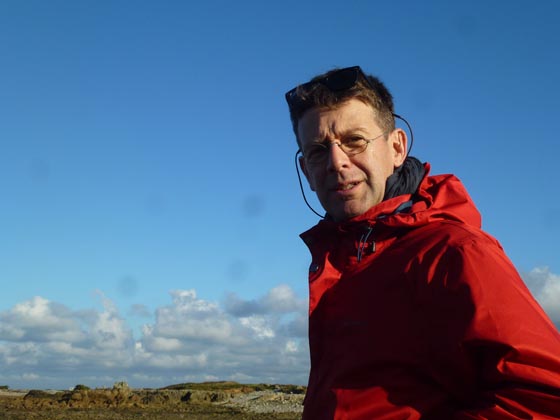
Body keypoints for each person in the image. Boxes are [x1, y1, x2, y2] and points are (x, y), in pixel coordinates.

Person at [285, 66, 560, 419]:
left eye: (355, 140)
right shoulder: (337, 262)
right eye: (318, 151)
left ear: (397, 148)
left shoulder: (455, 251)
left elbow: (544, 398)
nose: (336, 162)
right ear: (306, 171)